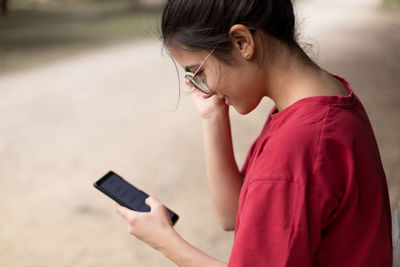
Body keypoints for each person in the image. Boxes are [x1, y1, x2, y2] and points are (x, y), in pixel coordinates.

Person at [116, 0, 393, 266]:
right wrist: (213, 117)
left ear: (242, 43)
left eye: (198, 73)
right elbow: (234, 215)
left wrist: (165, 242)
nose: (205, 89)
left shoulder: (298, 144)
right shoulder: (321, 99)